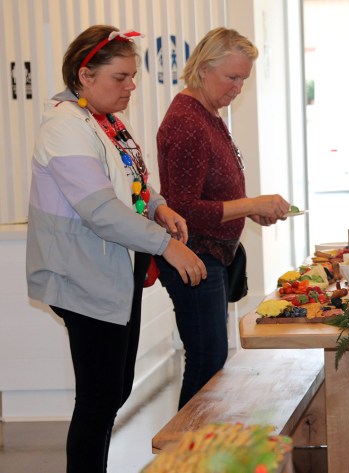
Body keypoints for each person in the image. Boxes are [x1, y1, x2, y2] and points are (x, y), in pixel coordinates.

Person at [25, 25, 207, 473]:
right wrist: (168, 246)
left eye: (132, 77)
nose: (130, 86)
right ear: (85, 75)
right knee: (99, 397)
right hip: (82, 274)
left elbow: (132, 183)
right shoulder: (65, 127)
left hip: (113, 272)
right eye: (120, 77)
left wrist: (159, 207)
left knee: (112, 391)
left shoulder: (102, 120)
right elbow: (101, 210)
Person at [156, 27, 290, 409]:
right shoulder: (188, 120)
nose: (238, 88)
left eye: (243, 79)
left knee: (212, 361)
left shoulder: (208, 114)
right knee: (206, 363)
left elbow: (210, 196)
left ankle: (198, 453)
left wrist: (251, 209)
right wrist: (250, 205)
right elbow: (182, 209)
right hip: (195, 258)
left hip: (211, 255)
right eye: (232, 77)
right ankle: (185, 460)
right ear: (202, 68)